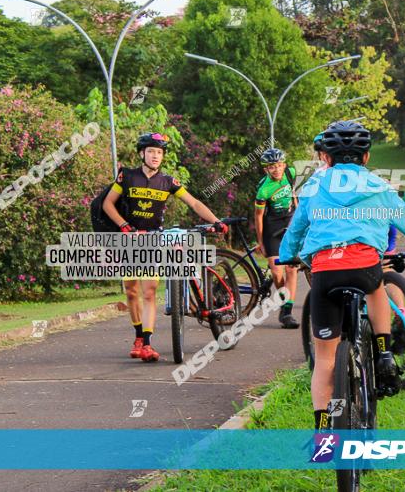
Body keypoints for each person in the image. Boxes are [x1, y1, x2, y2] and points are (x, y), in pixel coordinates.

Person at [278, 120, 405, 430]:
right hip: (365, 266)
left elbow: (296, 229)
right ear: (366, 157)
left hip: (324, 270)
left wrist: (288, 256)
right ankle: (384, 353)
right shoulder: (378, 186)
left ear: (327, 157)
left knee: (324, 359)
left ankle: (322, 430)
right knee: (376, 288)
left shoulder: (313, 186)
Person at [102, 132, 227, 362]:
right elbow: (108, 204)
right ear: (142, 154)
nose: (155, 156)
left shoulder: (168, 182)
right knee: (131, 290)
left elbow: (194, 203)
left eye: (159, 152)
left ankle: (147, 343)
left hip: (153, 240)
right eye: (151, 151)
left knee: (149, 291)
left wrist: (216, 221)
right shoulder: (127, 176)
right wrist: (124, 225)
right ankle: (139, 336)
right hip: (129, 240)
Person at [254, 148, 299, 329]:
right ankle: (283, 298)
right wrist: (260, 242)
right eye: (272, 167)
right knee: (277, 273)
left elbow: (295, 193)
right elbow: (258, 216)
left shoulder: (291, 173)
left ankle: (287, 312)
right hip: (271, 226)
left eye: (279, 165)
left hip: (290, 221)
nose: (277, 169)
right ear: (266, 169)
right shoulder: (263, 189)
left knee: (291, 269)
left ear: (284, 165)